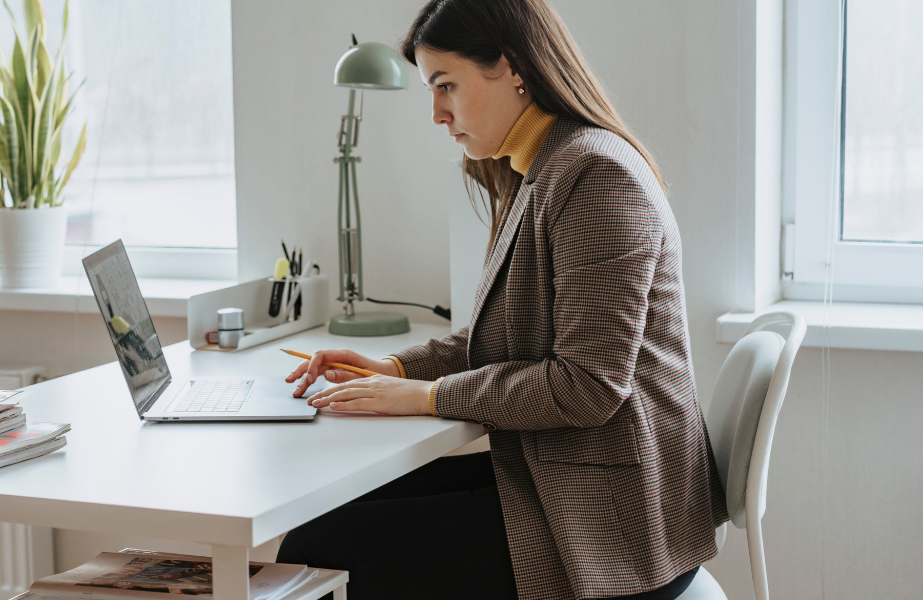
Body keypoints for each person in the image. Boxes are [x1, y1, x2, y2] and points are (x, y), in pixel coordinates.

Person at [278, 0, 729, 598]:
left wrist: (427, 396)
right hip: (569, 481)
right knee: (318, 525)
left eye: (446, 86)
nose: (436, 114)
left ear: (513, 66)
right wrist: (398, 369)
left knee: (322, 547)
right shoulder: (536, 167)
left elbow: (588, 386)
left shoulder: (594, 175)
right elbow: (502, 334)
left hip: (615, 523)